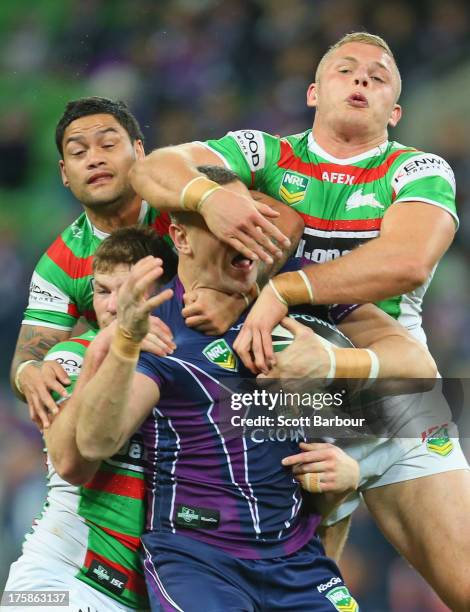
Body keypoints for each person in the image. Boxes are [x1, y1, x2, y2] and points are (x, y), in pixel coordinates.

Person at [126, 33, 470, 609]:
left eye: (379, 76)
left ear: (396, 109)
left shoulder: (418, 168)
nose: (361, 80)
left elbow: (409, 261)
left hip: (388, 390)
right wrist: (209, 197)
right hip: (280, 403)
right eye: (345, 70)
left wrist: (283, 290)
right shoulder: (264, 154)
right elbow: (156, 168)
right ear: (313, 91)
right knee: (298, 585)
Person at [71, 167, 436, 612]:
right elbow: (93, 442)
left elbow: (422, 378)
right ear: (182, 239)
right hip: (198, 561)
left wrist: (342, 461)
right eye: (230, 224)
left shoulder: (299, 287)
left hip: (298, 563)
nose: (250, 235)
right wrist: (125, 347)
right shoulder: (154, 324)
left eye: (256, 219)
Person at [10, 96, 301, 430]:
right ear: (64, 173)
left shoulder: (186, 201)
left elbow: (287, 222)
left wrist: (239, 297)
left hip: (245, 377)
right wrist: (27, 374)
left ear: (139, 151)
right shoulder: (58, 265)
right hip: (151, 407)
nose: (94, 159)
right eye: (78, 153)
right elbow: (28, 355)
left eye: (107, 144)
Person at [3, 226, 177, 611]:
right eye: (102, 291)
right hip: (58, 580)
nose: (113, 306)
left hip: (150, 593)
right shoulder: (71, 357)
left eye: (128, 289)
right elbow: (69, 462)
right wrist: (105, 345)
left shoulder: (191, 364)